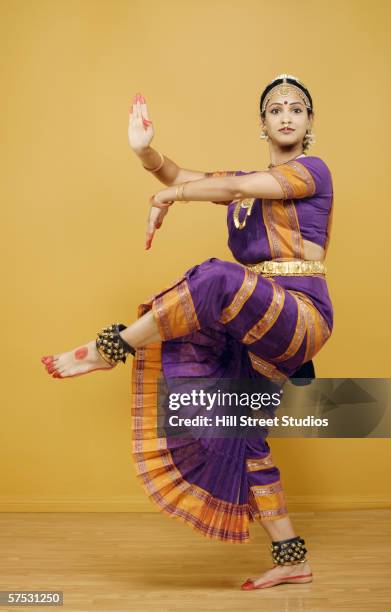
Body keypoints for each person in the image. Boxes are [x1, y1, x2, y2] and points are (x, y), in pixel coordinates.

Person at [41, 74, 334, 590]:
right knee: (244, 437)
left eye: (296, 109)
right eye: (275, 109)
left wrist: (173, 196)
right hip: (255, 327)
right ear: (263, 122)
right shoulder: (245, 185)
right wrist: (147, 154)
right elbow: (185, 174)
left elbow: (233, 187)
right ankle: (291, 556)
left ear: (309, 123)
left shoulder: (312, 170)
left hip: (300, 314)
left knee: (215, 276)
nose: (286, 115)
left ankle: (113, 348)